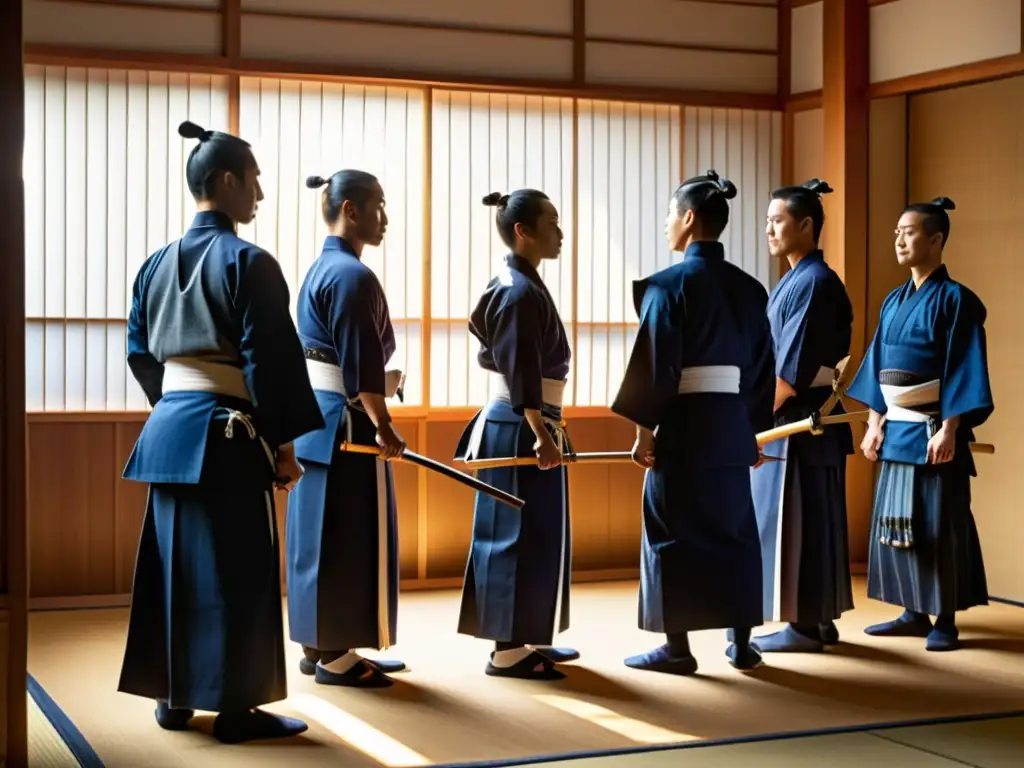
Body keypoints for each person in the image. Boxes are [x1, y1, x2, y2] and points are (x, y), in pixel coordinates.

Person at [117, 120, 324, 743]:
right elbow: (269, 363)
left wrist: (178, 408)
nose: (260, 192)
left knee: (172, 569)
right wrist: (283, 449)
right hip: (229, 439)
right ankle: (237, 709)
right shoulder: (251, 263)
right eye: (255, 179)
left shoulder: (154, 264)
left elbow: (139, 352)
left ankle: (173, 698)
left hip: (168, 434)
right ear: (227, 180)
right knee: (239, 572)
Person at [610, 170, 775, 675]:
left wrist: (643, 432)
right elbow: (762, 367)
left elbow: (655, 365)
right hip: (729, 424)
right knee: (735, 530)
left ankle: (677, 649)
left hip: (682, 425)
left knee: (668, 531)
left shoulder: (667, 286)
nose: (665, 224)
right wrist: (752, 432)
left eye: (668, 214)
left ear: (687, 218)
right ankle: (743, 644)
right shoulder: (750, 290)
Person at [845, 197, 993, 653]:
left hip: (932, 429)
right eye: (896, 232)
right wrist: (873, 423)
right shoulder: (893, 300)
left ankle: (944, 619)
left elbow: (963, 367)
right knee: (899, 522)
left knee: (938, 523)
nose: (899, 239)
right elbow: (877, 367)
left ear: (936, 239)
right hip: (896, 429)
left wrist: (950, 428)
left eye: (908, 232)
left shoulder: (957, 300)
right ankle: (912, 611)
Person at [286, 170, 408, 688]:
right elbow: (360, 366)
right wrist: (384, 425)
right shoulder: (353, 277)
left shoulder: (320, 270)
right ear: (351, 210)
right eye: (378, 206)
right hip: (347, 424)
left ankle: (321, 647)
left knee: (319, 536)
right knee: (347, 537)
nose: (384, 218)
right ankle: (337, 657)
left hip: (317, 417)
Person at [453, 189, 579, 680]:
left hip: (534, 421)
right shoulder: (516, 290)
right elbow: (520, 370)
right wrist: (540, 434)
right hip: (519, 425)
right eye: (552, 221)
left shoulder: (523, 284)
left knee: (539, 534)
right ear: (523, 231)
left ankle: (527, 633)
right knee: (511, 536)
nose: (560, 230)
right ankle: (506, 649)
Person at [747, 179, 856, 653]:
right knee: (808, 518)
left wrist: (748, 420)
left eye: (778, 221)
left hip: (800, 420)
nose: (769, 229)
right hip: (800, 419)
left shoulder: (814, 283)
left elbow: (788, 375)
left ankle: (805, 625)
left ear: (806, 225)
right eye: (769, 220)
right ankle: (816, 620)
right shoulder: (799, 280)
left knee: (801, 519)